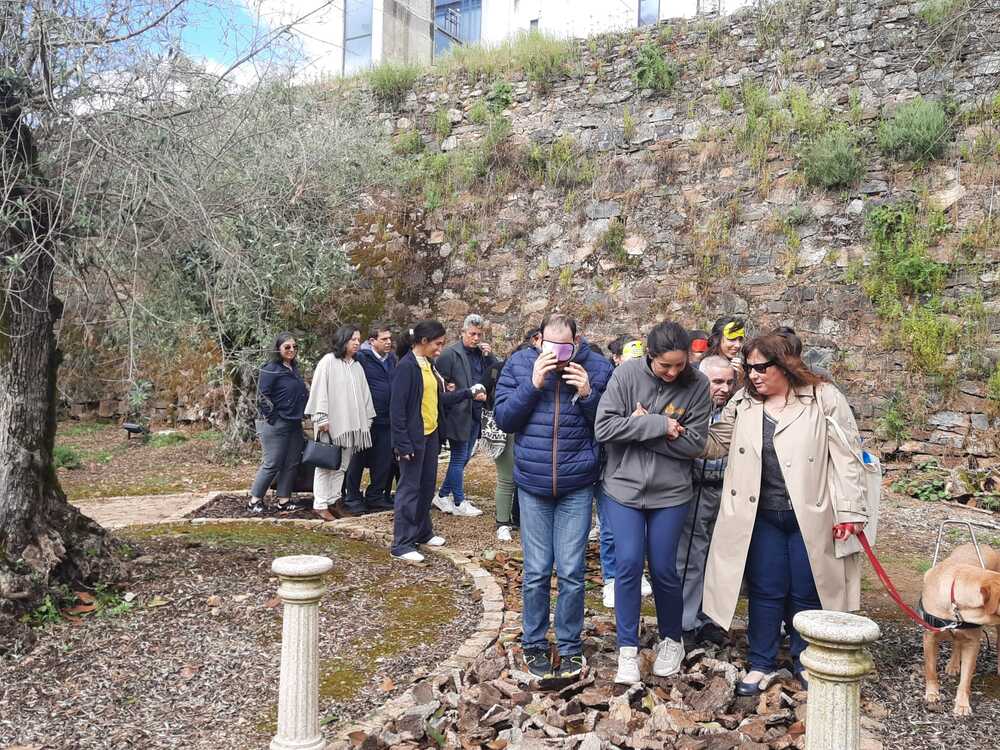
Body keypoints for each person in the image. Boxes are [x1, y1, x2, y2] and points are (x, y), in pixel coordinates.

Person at [702, 332, 868, 695]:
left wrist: (851, 510)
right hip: (761, 514)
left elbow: (848, 458)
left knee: (808, 589)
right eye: (749, 368)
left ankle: (806, 660)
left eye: (762, 367)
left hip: (812, 513)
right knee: (766, 588)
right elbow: (716, 442)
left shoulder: (824, 397)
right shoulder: (744, 401)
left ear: (785, 365)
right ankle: (760, 663)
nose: (753, 375)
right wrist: (674, 429)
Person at [494, 313, 613, 679]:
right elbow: (504, 419)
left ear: (577, 342)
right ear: (538, 341)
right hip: (533, 484)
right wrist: (532, 384)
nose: (558, 355)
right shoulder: (520, 363)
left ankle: (570, 644)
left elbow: (609, 425)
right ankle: (533, 641)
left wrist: (588, 394)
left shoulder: (598, 367)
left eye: (565, 348)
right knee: (536, 570)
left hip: (577, 484)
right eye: (550, 347)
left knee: (573, 570)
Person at [594, 322, 712, 685]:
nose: (673, 373)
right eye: (665, 366)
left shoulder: (698, 385)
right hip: (623, 488)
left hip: (671, 492)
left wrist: (639, 428)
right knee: (628, 564)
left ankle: (672, 640)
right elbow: (604, 428)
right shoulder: (626, 375)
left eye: (680, 365)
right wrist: (662, 425)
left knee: (664, 568)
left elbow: (694, 444)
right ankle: (627, 649)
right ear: (650, 356)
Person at [389, 320, 486, 562]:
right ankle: (402, 543)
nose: (440, 349)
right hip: (413, 439)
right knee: (409, 489)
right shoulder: (406, 367)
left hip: (430, 436)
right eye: (438, 344)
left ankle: (423, 532)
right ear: (423, 341)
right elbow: (397, 410)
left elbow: (438, 399)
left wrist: (467, 393)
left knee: (426, 486)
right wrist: (402, 444)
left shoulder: (428, 364)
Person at [676, 355, 736, 647]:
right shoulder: (689, 406)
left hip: (727, 491)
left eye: (729, 382)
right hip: (695, 488)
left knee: (719, 560)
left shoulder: (737, 410)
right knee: (690, 559)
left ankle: (710, 619)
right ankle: (685, 623)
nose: (724, 388)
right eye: (717, 382)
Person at [596, 335, 653, 610]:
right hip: (609, 467)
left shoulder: (649, 384)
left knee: (639, 528)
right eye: (630, 359)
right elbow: (602, 428)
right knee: (609, 528)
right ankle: (611, 578)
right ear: (617, 359)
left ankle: (635, 573)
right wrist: (632, 424)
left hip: (640, 468)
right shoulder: (607, 384)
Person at [305, 325, 376, 521]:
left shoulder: (357, 366)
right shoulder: (328, 362)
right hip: (331, 424)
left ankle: (334, 501)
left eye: (358, 339)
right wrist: (321, 417)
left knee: (342, 465)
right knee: (325, 464)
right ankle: (320, 504)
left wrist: (367, 419)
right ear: (343, 340)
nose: (357, 343)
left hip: (351, 426)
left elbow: (364, 395)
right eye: (353, 339)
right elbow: (319, 390)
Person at [434, 314, 498, 518]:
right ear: (462, 332)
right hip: (457, 413)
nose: (476, 338)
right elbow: (439, 383)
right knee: (459, 457)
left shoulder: (482, 354)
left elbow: (495, 374)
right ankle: (459, 501)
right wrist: (450, 388)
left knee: (464, 458)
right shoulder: (449, 354)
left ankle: (442, 495)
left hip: (476, 412)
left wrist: (490, 357)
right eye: (472, 334)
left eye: (479, 334)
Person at [247, 332, 309, 514]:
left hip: (295, 423)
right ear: (278, 349)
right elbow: (262, 396)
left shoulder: (293, 369)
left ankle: (284, 500)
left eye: (294, 347)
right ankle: (254, 501)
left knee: (291, 462)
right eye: (287, 347)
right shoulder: (271, 369)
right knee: (272, 463)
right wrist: (273, 417)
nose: (292, 350)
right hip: (277, 424)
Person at [343, 322, 397, 515]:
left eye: (390, 338)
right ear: (372, 341)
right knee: (357, 460)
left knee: (383, 460)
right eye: (384, 339)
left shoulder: (391, 359)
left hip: (386, 419)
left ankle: (375, 496)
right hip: (365, 420)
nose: (388, 342)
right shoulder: (361, 358)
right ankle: (352, 497)